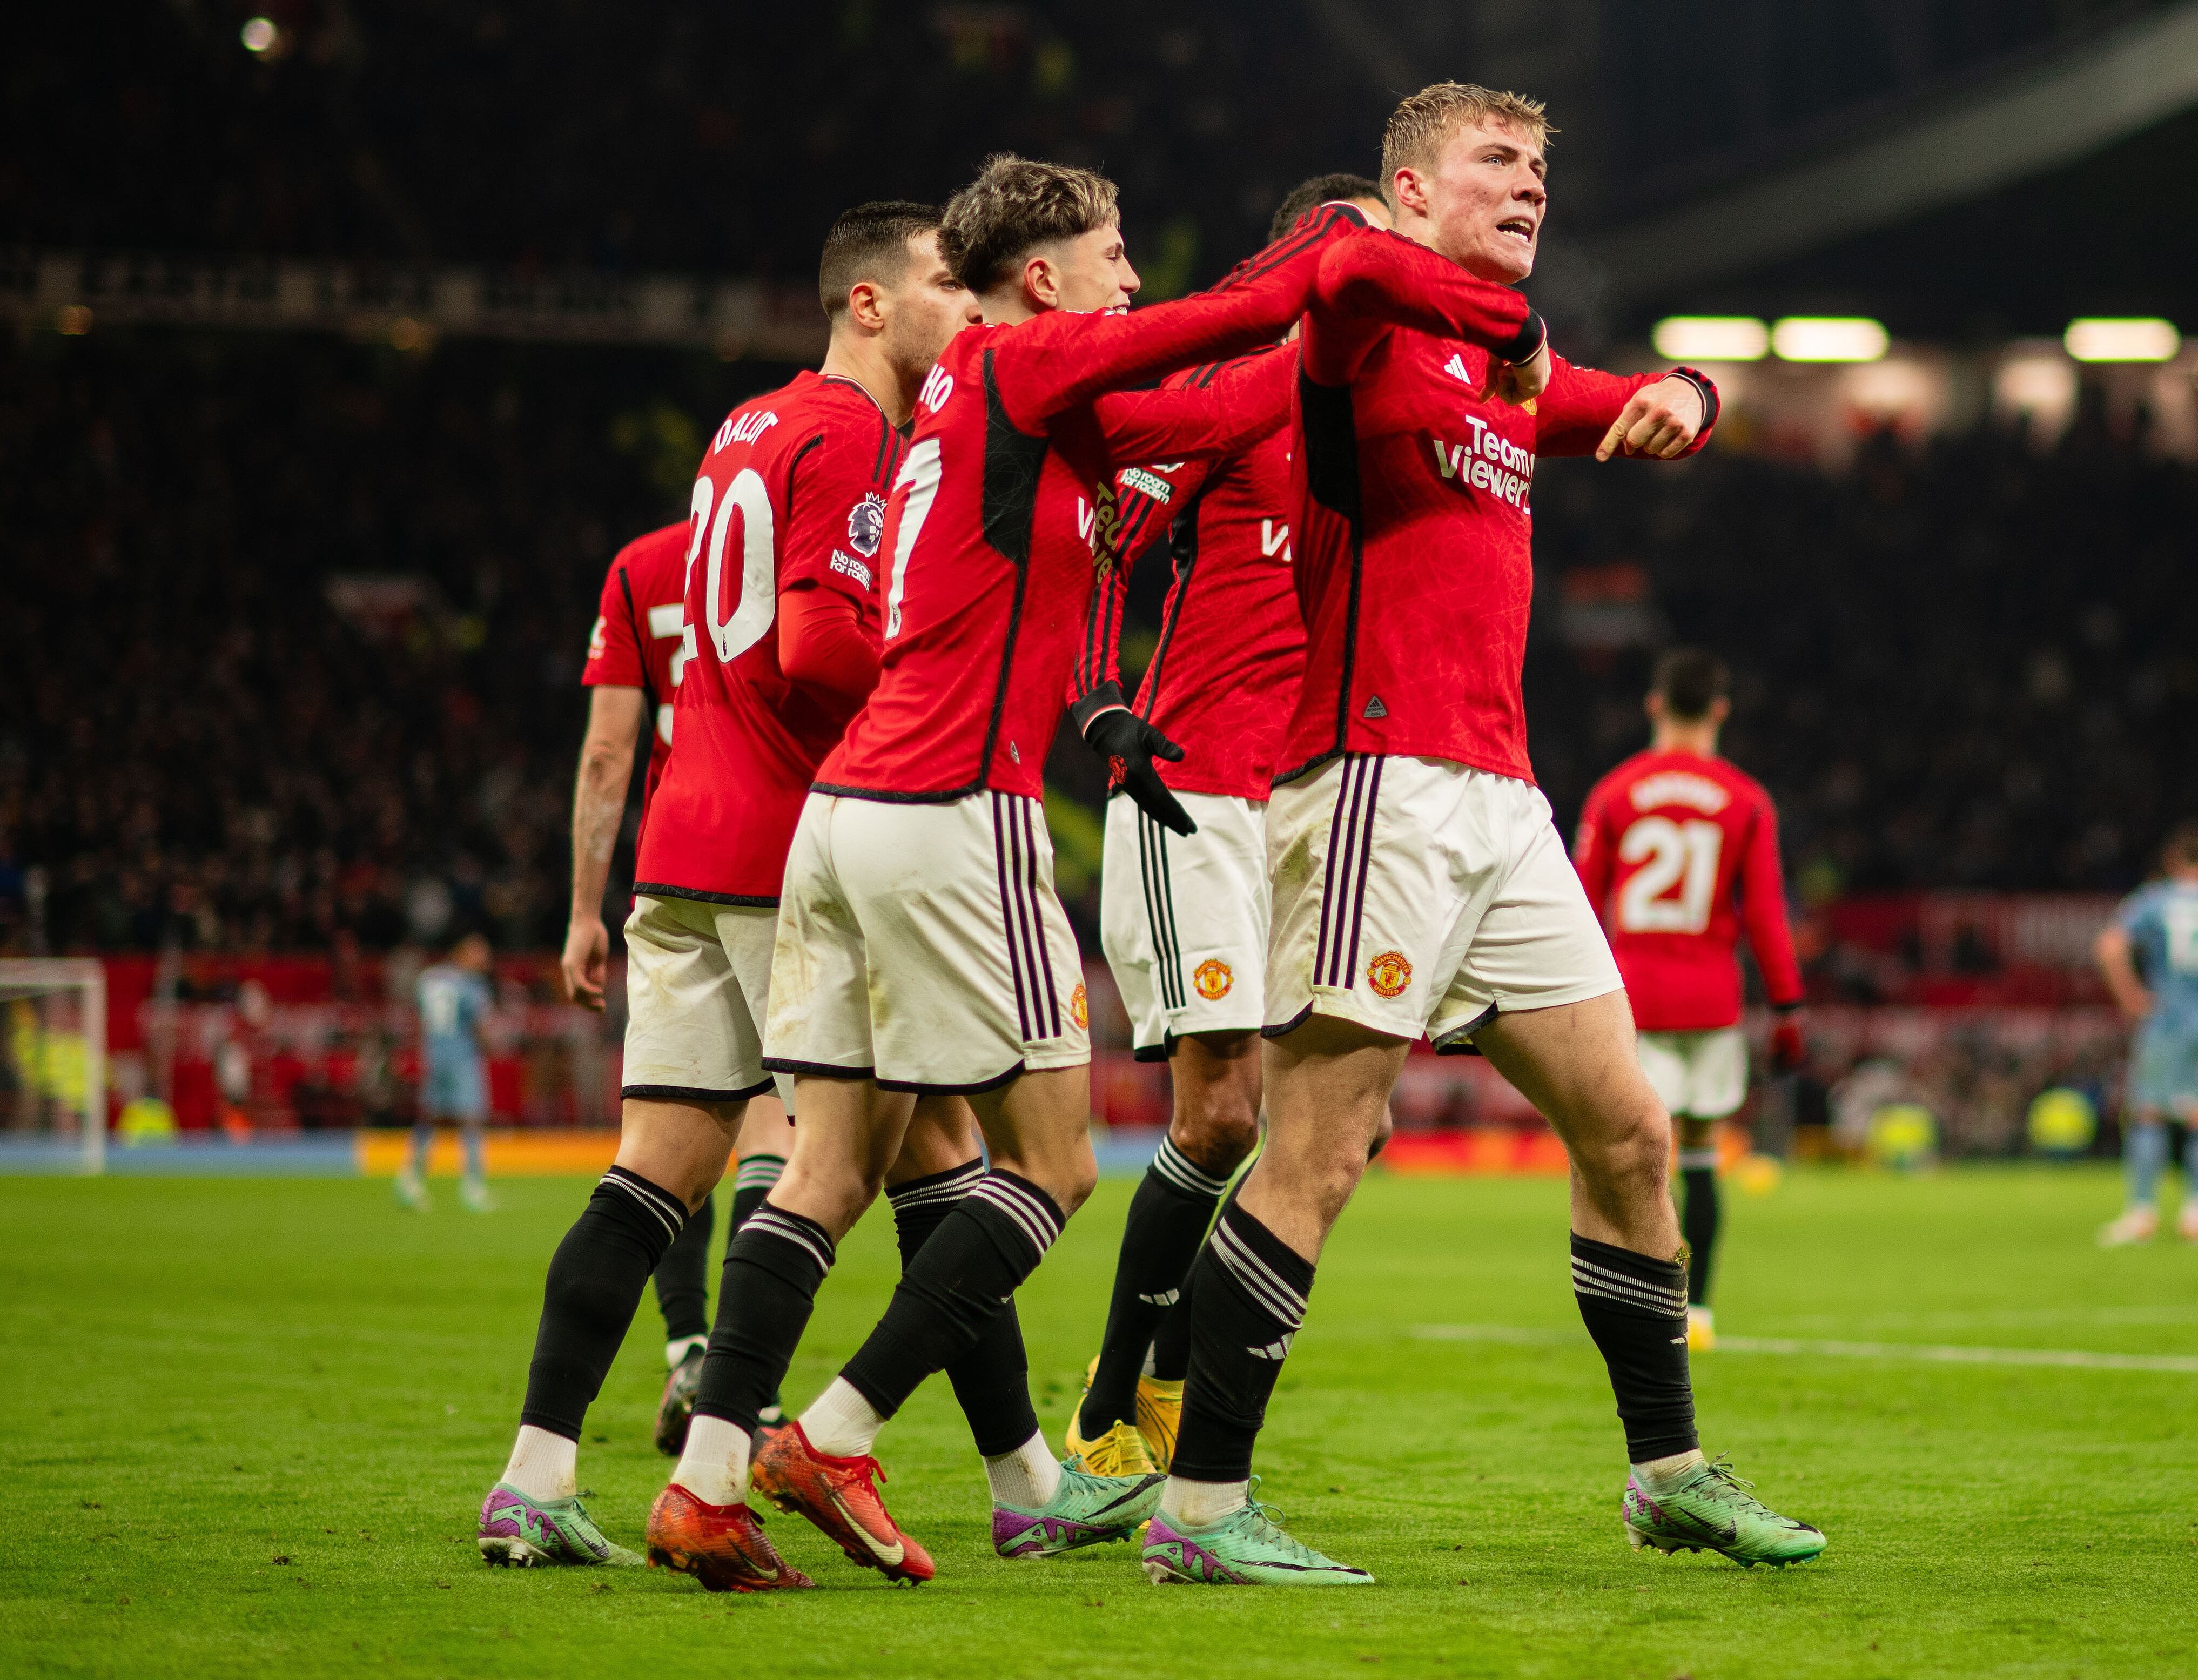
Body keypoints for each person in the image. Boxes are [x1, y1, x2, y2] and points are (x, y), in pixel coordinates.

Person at [646, 154, 1510, 1592]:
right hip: (952, 809)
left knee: (832, 1166)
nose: (1132, 277)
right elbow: (1210, 337)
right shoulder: (1027, 359)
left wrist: (1323, 367)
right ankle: (840, 1431)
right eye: (1112, 253)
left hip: (846, 813)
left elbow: (1210, 404)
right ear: (1043, 276)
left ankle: (704, 1479)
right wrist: (1348, 273)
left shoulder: (975, 402)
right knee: (1050, 1164)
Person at [1147, 83, 1825, 1589]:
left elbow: (1649, 391)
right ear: (1407, 188)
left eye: (1539, 170)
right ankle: (1196, 1506)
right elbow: (1339, 266)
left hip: (1504, 801)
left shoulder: (1492, 362)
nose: (1529, 187)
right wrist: (1515, 336)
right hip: (1374, 777)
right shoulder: (1358, 328)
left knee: (1635, 1131)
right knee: (1318, 1150)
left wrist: (1688, 401)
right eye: (1495, 164)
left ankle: (1667, 1473)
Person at [475, 204, 972, 1571]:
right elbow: (816, 645)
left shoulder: (742, 428)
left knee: (652, 1176)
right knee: (875, 1168)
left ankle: (533, 1479)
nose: (967, 308)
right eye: (943, 284)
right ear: (866, 305)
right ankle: (726, 1475)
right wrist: (936, 690)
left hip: (680, 843)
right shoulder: (861, 433)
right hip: (782, 849)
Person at [1063, 171, 1395, 1483]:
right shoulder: (1234, 384)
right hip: (1192, 782)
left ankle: (1164, 1379)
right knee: (1215, 1118)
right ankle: (1108, 1404)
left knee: (1343, 1130)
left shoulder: (1384, 411)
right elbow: (1102, 544)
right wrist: (1099, 703)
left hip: (1318, 799)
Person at [569, 520, 800, 1456]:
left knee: (661, 1143)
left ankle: (684, 1351)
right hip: (778, 855)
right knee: (791, 1131)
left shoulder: (640, 567)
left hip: (671, 859)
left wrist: (584, 911)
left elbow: (605, 754)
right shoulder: (806, 549)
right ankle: (747, 1386)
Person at [1571, 647, 1805, 1349]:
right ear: (1720, 711)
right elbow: (1765, 913)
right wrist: (1788, 1006)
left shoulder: (1614, 793)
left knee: (1633, 1164)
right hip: (1713, 1004)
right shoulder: (1746, 800)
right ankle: (1697, 1313)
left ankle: (1646, 1311)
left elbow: (1581, 904)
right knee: (1701, 1156)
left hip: (1634, 1003)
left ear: (1654, 706)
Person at [2093, 823, 2198, 1247]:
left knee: (2149, 1114)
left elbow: (2109, 946)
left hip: (2166, 1020)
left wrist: (2132, 995)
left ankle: (2142, 1211)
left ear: (2172, 863)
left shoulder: (2154, 901)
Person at [408, 927, 494, 1214]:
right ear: (464, 951)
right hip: (462, 1057)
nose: (485, 957)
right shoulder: (472, 985)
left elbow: (420, 1021)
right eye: (479, 950)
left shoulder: (430, 979)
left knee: (430, 1119)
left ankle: (411, 1180)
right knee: (471, 1121)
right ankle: (473, 1187)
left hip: (434, 1057)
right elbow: (481, 1028)